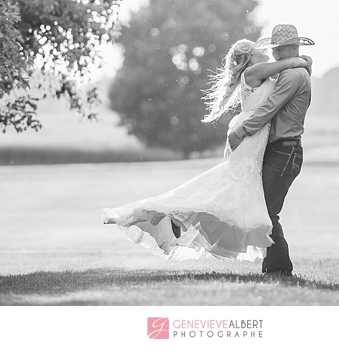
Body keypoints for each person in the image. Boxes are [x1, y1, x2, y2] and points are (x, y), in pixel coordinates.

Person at [101, 37, 312, 261]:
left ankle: (181, 217)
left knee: (236, 185)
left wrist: (304, 64)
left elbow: (286, 79)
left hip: (258, 134)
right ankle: (178, 215)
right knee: (235, 181)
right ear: (250, 57)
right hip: (252, 133)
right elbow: (289, 64)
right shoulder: (255, 70)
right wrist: (303, 59)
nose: (264, 51)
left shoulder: (263, 73)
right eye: (257, 49)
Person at [228, 24, 314, 277]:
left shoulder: (292, 75)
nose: (275, 54)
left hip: (285, 150)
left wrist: (242, 130)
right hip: (277, 149)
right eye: (273, 49)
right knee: (264, 208)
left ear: (292, 48)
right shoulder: (290, 71)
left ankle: (279, 266)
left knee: (267, 209)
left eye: (279, 49)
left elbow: (270, 108)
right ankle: (272, 265)